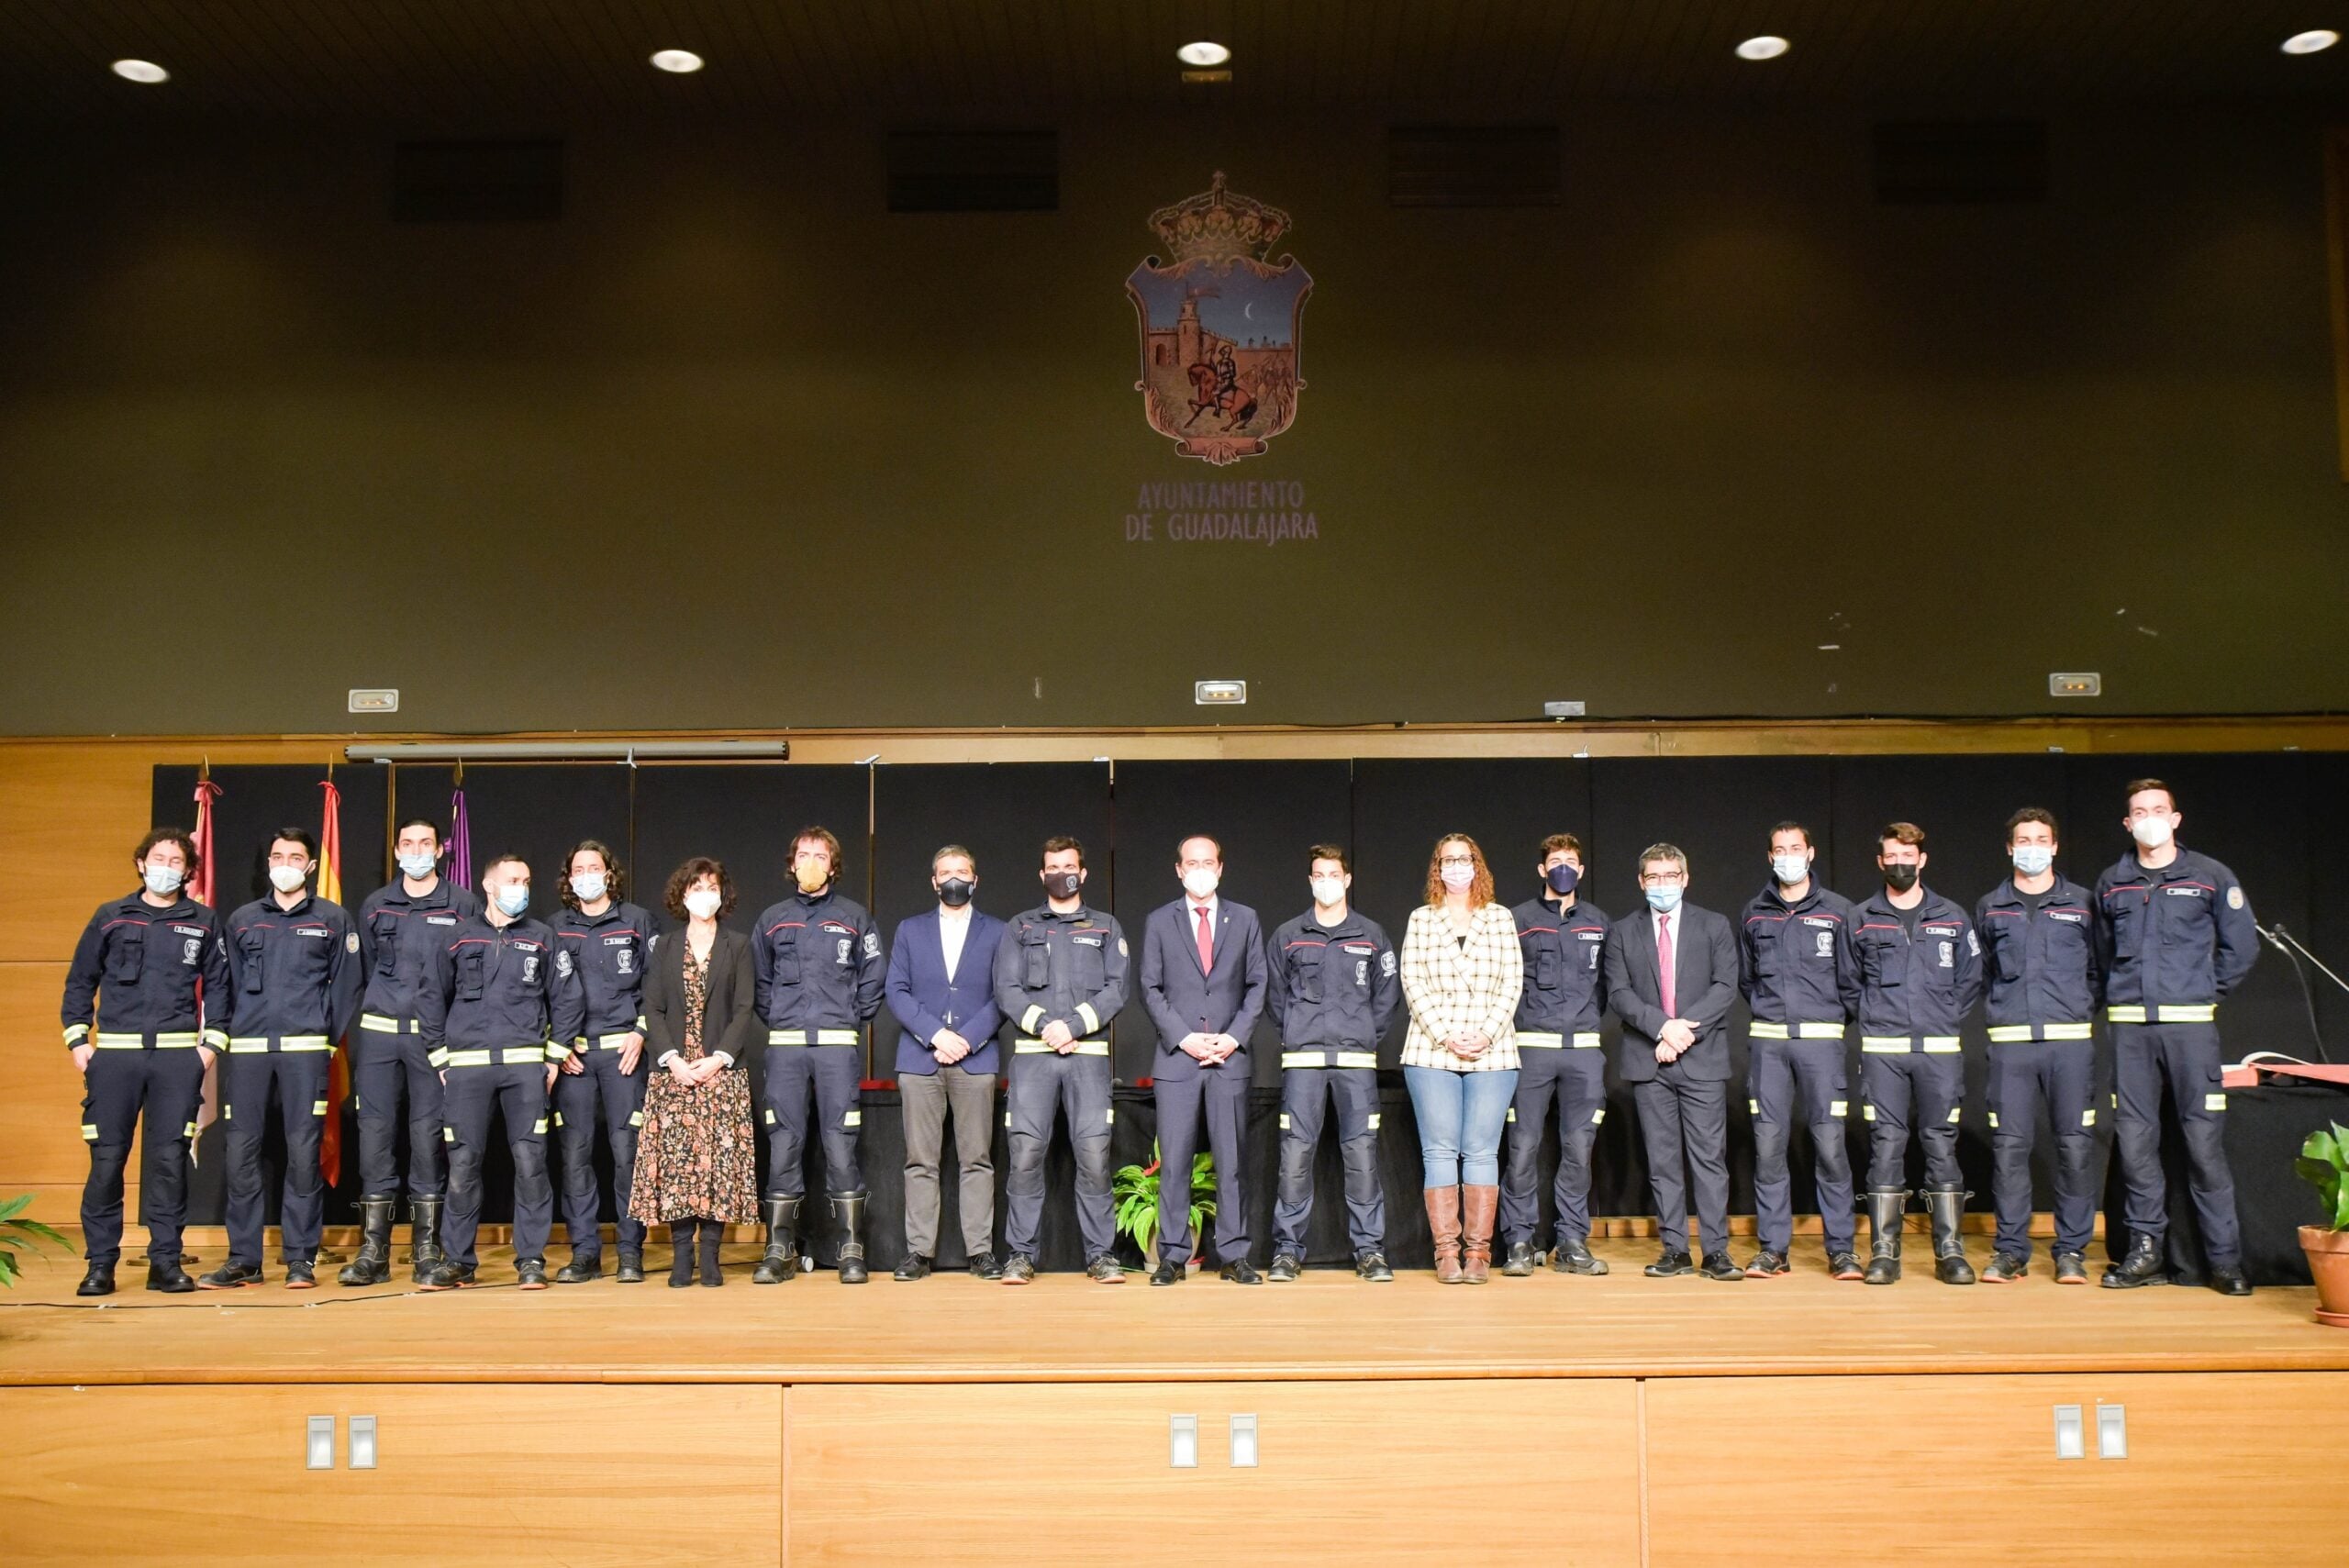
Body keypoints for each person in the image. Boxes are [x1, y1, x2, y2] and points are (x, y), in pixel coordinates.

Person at [2097, 779, 2259, 1296]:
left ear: (2175, 818)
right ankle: (2145, 1254)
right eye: (2139, 811)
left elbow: (2241, 946)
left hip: (2191, 1029)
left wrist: (2205, 994)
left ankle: (2224, 1261)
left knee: (2203, 1146)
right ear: (2127, 824)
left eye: (2158, 809)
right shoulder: (2112, 882)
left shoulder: (2211, 875)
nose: (2149, 817)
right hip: (2131, 1032)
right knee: (2137, 1145)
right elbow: (2101, 956)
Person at [60, 828, 231, 1296]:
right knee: (107, 1163)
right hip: (115, 1057)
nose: (165, 868)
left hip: (178, 1059)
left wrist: (208, 1049)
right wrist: (79, 1043)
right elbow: (80, 981)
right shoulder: (111, 916)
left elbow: (219, 988)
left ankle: (165, 1263)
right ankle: (100, 1265)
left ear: (188, 871)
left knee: (169, 1162)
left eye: (176, 862)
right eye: (158, 858)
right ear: (141, 863)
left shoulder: (203, 920)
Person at [198, 828, 363, 1290]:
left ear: (311, 866)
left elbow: (348, 984)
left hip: (307, 1053)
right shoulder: (243, 919)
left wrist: (327, 1041)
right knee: (240, 1153)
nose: (284, 863)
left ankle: (300, 1259)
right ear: (267, 863)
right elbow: (221, 984)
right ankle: (244, 1259)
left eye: (295, 856)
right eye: (276, 855)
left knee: (303, 1153)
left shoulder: (333, 918)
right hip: (248, 1051)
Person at [415, 853, 582, 1290]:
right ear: (488, 886)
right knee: (464, 1165)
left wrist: (552, 1057)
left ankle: (530, 1259)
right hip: (466, 1070)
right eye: (512, 880)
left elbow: (568, 1000)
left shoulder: (544, 938)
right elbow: (430, 999)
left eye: (526, 880)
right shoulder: (456, 938)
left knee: (530, 1163)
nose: (521, 888)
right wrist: (439, 1058)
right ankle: (459, 1261)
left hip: (524, 1069)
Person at [343, 817, 481, 1286]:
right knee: (375, 1137)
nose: (416, 850)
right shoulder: (376, 905)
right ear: (397, 849)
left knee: (428, 1138)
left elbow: (469, 975)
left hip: (433, 1040)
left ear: (440, 849)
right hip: (380, 1034)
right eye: (407, 843)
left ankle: (427, 1247)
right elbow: (363, 971)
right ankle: (373, 1251)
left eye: (425, 843)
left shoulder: (463, 904)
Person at [749, 826, 885, 1285]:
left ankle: (850, 1248)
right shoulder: (771, 919)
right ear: (792, 864)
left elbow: (872, 980)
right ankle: (779, 1246)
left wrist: (847, 1019)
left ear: (833, 865)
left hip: (836, 1049)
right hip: (786, 1048)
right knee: (784, 1141)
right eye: (803, 854)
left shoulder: (854, 917)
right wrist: (784, 1020)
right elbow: (760, 985)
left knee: (839, 1141)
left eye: (820, 855)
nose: (810, 862)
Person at [991, 836, 1130, 1284]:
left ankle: (1101, 1255)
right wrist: (1046, 1026)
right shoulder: (1020, 927)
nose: (1060, 873)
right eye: (1052, 866)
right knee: (1026, 1155)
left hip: (1087, 1057)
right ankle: (1020, 1255)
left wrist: (1074, 1025)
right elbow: (1006, 990)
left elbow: (1117, 989)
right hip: (1034, 1058)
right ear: (1042, 874)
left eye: (1068, 866)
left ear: (1083, 873)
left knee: (1093, 1156)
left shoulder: (1106, 926)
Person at [1852, 822, 1985, 1286]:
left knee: (1940, 1143)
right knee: (1886, 1144)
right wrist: (1874, 1014)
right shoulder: (1861, 916)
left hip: (1939, 1051)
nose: (1901, 864)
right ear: (1880, 861)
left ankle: (1950, 1250)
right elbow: (1849, 983)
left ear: (1923, 860)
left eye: (1908, 856)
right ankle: (1884, 1251)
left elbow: (1971, 977)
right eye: (1892, 856)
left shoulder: (1953, 915)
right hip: (1883, 1050)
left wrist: (1944, 1013)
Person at [1604, 842, 1742, 1283]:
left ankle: (1716, 1252)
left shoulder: (1714, 925)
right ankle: (1675, 1250)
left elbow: (1725, 987)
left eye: (1670, 876)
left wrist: (1684, 1034)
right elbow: (1620, 994)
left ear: (1685, 878)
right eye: (1654, 878)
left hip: (1701, 1058)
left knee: (1708, 1160)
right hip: (1650, 1060)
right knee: (1662, 1162)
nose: (1662, 885)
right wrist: (1664, 1028)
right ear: (1642, 882)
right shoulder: (1624, 931)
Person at [1975, 807, 2101, 1285]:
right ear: (2010, 848)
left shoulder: (2084, 903)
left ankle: (2071, 1250)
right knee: (2009, 1150)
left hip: (2070, 1046)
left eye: (2040, 838)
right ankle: (2011, 1251)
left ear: (2054, 846)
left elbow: (2099, 971)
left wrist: (2075, 1010)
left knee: (2073, 1148)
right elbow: (1982, 972)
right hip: (2011, 1047)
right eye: (2022, 839)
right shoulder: (1990, 906)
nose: (2031, 846)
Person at [1265, 844, 1400, 1283]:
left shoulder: (1372, 935)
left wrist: (1361, 1035)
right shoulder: (1288, 935)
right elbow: (1273, 999)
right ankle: (1287, 1251)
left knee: (1361, 1155)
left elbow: (1386, 998)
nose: (1326, 881)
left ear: (1346, 880)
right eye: (1318, 874)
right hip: (1302, 1062)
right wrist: (1298, 1033)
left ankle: (1369, 1251)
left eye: (1333, 874)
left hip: (1356, 1064)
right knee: (1295, 1156)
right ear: (1311, 881)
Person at [1140, 834, 1269, 1285]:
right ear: (1178, 870)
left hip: (1229, 1059)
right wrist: (1184, 1038)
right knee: (1174, 1161)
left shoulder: (1246, 919)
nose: (1200, 869)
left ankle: (1233, 1255)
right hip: (1178, 1060)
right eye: (1191, 863)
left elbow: (1257, 985)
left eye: (1208, 862)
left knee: (1231, 1161)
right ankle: (1173, 1256)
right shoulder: (1159, 921)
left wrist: (1232, 1038)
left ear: (1220, 868)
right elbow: (1150, 989)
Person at [1735, 822, 1862, 1281]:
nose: (1787, 856)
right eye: (1779, 850)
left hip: (1822, 1042)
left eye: (1795, 848)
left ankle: (1842, 1249)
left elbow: (1852, 983)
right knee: (1769, 1147)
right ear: (1770, 857)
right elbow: (1748, 981)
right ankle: (1773, 1249)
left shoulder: (1840, 912)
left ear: (1810, 853)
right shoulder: (1754, 913)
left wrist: (1825, 1023)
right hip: (1769, 1044)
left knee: (1829, 1146)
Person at [1397, 833, 1523, 1284]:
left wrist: (1485, 1033)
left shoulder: (1500, 918)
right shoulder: (1421, 919)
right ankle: (1446, 1252)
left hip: (1493, 1049)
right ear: (1437, 868)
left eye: (1464, 859)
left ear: (1477, 864)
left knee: (1481, 1152)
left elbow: (1512, 982)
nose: (1455, 867)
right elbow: (1412, 981)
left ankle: (1478, 1255)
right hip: (1431, 1048)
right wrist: (1448, 1035)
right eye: (1447, 860)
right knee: (1440, 1151)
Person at [634, 858, 759, 1288]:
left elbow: (745, 1008)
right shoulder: (664, 946)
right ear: (682, 895)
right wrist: (671, 1057)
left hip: (720, 1071)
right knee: (678, 1167)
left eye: (713, 886)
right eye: (697, 886)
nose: (705, 893)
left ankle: (711, 1255)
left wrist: (720, 1056)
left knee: (718, 1165)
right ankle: (681, 1255)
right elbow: (652, 1007)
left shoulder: (738, 945)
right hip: (675, 1072)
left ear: (722, 894)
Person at [884, 845, 1007, 1281]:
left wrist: (966, 1040)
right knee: (921, 1160)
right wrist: (936, 1034)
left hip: (977, 1059)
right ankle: (918, 1252)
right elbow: (895, 990)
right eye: (946, 872)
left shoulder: (998, 931)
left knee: (977, 1159)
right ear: (934, 882)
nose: (954, 879)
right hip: (920, 1059)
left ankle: (980, 1252)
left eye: (962, 871)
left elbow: (1004, 994)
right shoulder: (910, 930)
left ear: (975, 879)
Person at [1501, 833, 1615, 1278]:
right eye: (1555, 860)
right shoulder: (1517, 920)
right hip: (1530, 1050)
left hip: (1584, 1053)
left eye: (1571, 860)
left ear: (1581, 870)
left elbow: (1607, 988)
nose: (1563, 867)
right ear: (1542, 869)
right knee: (1523, 1148)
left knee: (1578, 1148)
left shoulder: (1600, 922)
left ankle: (1571, 1241)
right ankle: (1519, 1241)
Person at [551, 840, 659, 1284]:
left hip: (623, 1057)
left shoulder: (637, 921)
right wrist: (557, 1046)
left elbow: (658, 987)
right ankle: (585, 1254)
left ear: (609, 874)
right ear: (569, 877)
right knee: (575, 1157)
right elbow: (541, 993)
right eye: (579, 868)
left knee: (626, 1153)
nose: (587, 874)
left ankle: (631, 1251)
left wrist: (641, 1032)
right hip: (574, 1057)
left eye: (595, 867)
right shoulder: (554, 927)